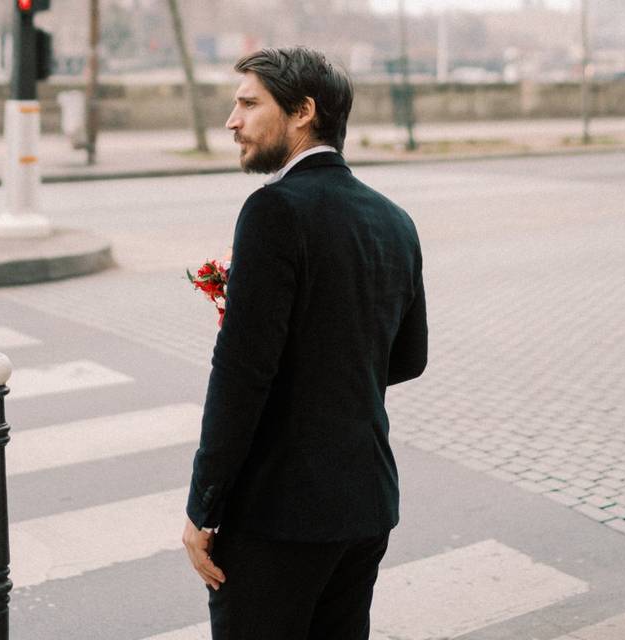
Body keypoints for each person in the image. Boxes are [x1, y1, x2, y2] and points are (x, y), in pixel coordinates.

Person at [182, 46, 428, 640]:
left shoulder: (274, 210)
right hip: (365, 505)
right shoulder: (394, 218)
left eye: (247, 103)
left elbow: (241, 375)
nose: (231, 121)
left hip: (280, 515)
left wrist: (203, 508)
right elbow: (409, 358)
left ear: (303, 112)